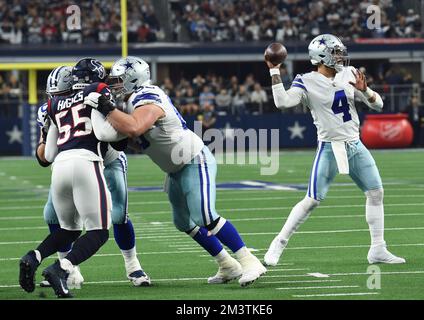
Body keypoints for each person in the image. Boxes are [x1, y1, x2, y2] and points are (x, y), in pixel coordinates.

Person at [88, 56, 266, 287]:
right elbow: (142, 138)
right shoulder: (133, 101)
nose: (115, 85)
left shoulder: (147, 96)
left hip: (193, 160)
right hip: (175, 168)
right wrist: (124, 140)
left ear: (134, 79)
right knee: (183, 221)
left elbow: (135, 127)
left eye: (119, 80)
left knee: (204, 215)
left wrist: (106, 108)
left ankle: (249, 261)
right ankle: (227, 264)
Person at [263, 34, 406, 266]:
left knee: (376, 193)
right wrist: (274, 71)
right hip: (329, 147)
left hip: (355, 144)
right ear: (321, 56)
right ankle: (278, 243)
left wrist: (366, 90)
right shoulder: (306, 80)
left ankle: (378, 248)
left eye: (340, 52)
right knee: (312, 200)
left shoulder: (349, 74)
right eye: (335, 52)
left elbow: (378, 104)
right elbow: (282, 103)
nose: (340, 56)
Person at [35, 66, 151, 289]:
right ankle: (68, 269)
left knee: (119, 213)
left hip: (109, 158)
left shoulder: (96, 95)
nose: (56, 98)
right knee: (52, 214)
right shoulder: (51, 108)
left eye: (58, 93)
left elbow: (117, 140)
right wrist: (46, 132)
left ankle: (132, 265)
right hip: (75, 161)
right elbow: (44, 157)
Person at [20, 58, 121, 298]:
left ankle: (33, 257)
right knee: (99, 231)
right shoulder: (96, 90)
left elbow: (50, 154)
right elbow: (104, 132)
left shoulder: (56, 102)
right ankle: (62, 268)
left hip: (60, 168)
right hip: (86, 162)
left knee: (69, 230)